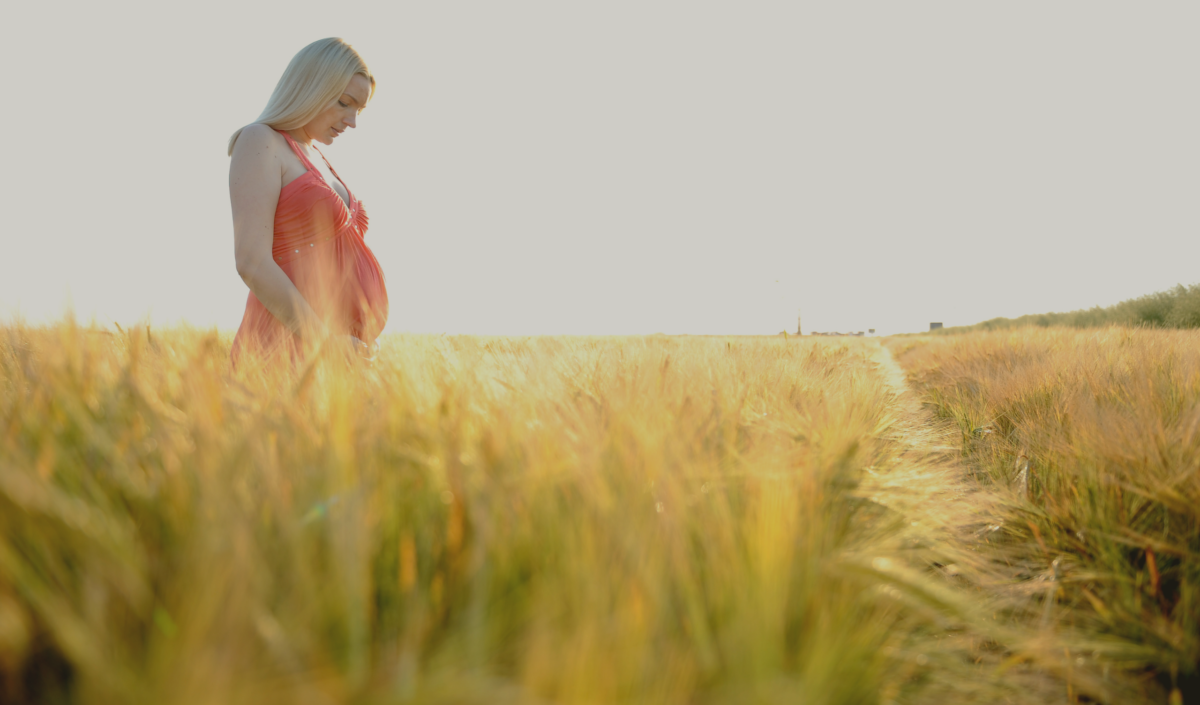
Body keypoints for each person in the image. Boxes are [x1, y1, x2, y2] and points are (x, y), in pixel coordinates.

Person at [227, 37, 388, 367]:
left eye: (359, 110)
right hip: (284, 352)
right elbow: (251, 261)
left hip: (341, 361)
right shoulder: (260, 140)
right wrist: (325, 342)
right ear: (311, 87)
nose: (353, 121)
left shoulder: (317, 157)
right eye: (345, 103)